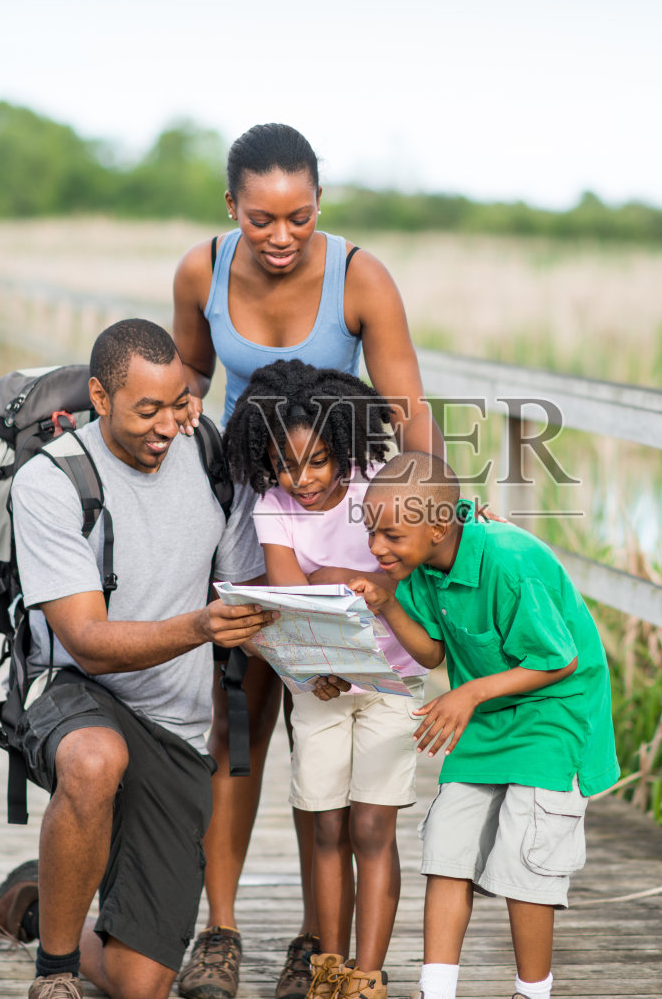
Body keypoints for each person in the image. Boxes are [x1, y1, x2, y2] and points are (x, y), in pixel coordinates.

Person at [170, 123, 443, 999]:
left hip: (346, 514)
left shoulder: (361, 276)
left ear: (320, 206)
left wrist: (432, 530)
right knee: (238, 723)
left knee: (318, 721)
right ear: (231, 210)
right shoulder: (198, 271)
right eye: (260, 220)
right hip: (252, 511)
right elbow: (183, 399)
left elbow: (410, 416)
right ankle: (220, 931)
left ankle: (316, 945)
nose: (281, 237)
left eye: (300, 217)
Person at [0, 319, 275, 999]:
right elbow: (86, 640)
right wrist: (201, 625)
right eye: (145, 409)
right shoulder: (52, 481)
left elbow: (249, 586)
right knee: (94, 762)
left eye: (177, 403)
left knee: (138, 984)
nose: (165, 426)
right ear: (100, 395)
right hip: (76, 690)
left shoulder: (210, 455)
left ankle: (36, 902)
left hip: (174, 725)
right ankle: (55, 972)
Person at [339, 452, 620, 999]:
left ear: (439, 527)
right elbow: (431, 654)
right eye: (370, 531)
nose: (376, 548)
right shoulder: (419, 568)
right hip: (487, 718)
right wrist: (387, 605)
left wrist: (469, 693)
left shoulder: (510, 560)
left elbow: (557, 660)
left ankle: (531, 993)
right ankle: (436, 990)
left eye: (390, 535)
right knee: (447, 847)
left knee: (526, 861)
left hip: (553, 717)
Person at [225, 360, 427, 999]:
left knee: (372, 826)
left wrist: (353, 584)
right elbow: (287, 598)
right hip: (320, 685)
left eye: (316, 462)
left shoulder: (380, 485)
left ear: (344, 448)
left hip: (391, 682)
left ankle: (369, 974)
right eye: (285, 465)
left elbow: (412, 569)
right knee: (327, 825)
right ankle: (328, 969)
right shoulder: (273, 505)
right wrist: (337, 593)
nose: (301, 480)